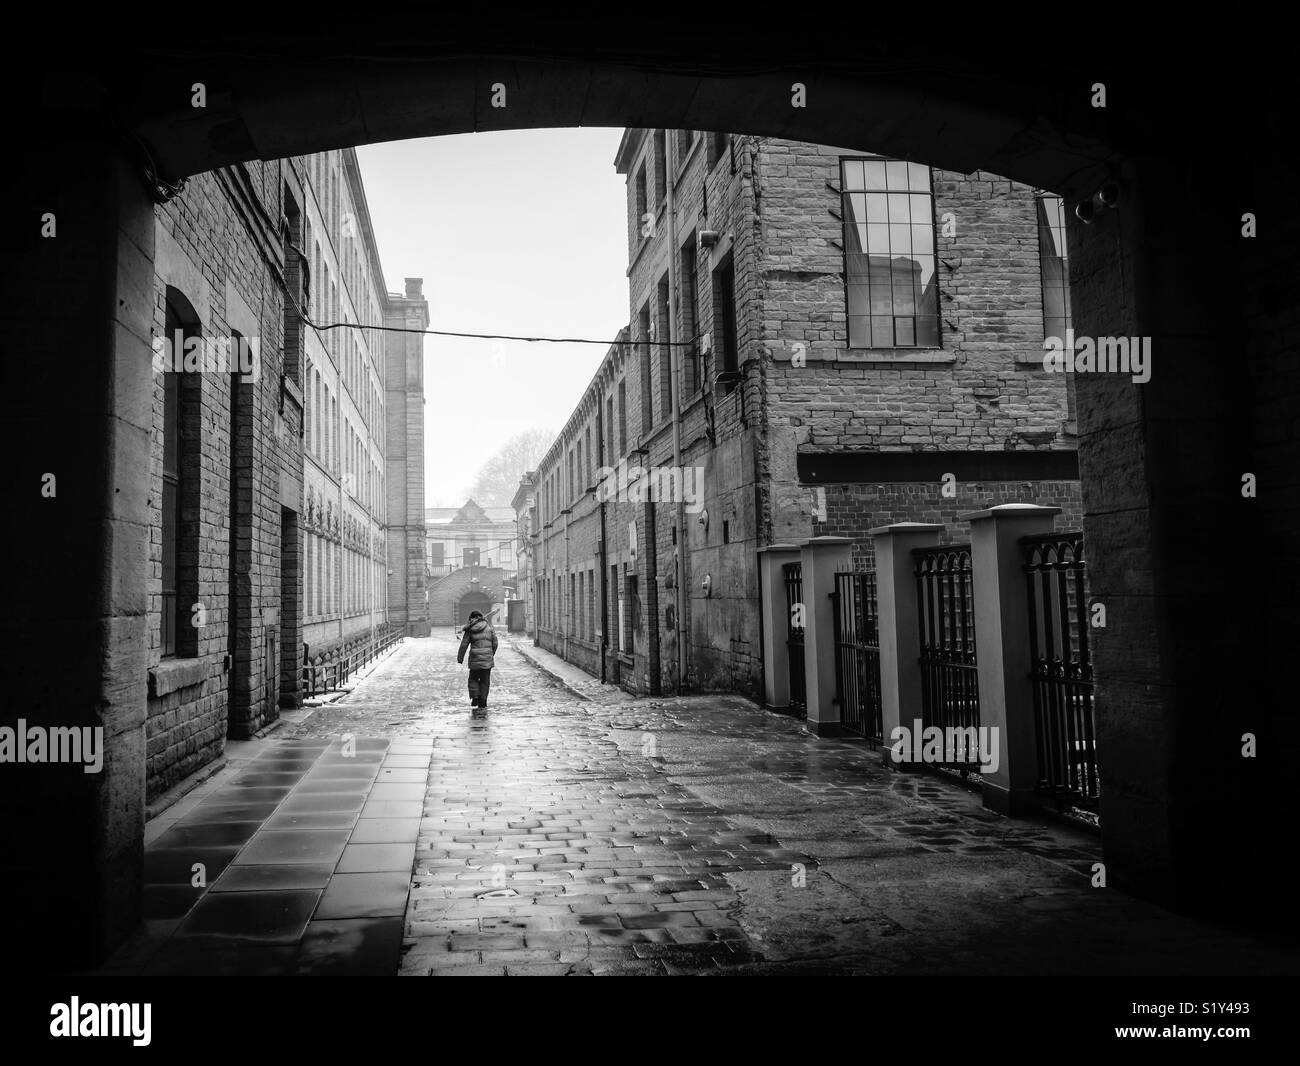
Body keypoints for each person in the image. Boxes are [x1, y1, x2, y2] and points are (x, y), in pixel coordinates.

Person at [456, 609, 498, 710]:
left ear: (470, 619)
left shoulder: (470, 629)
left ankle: (475, 696)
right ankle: (483, 701)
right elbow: (495, 643)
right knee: (485, 681)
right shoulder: (489, 628)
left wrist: (460, 658)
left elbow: (464, 645)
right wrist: (491, 654)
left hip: (475, 659)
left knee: (473, 678)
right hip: (487, 660)